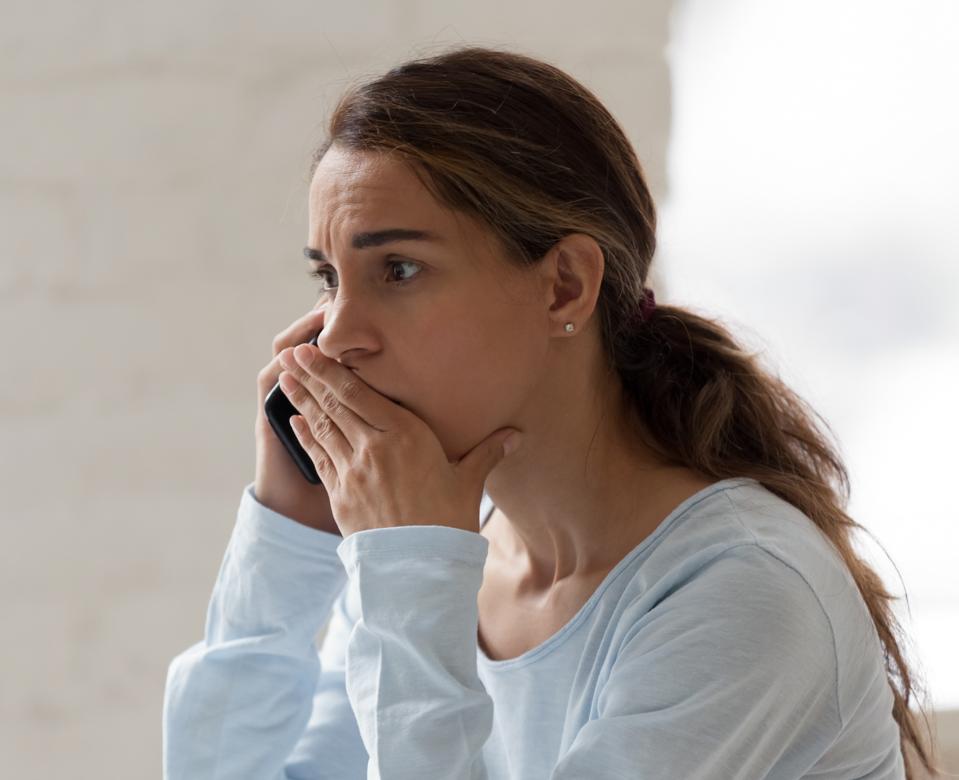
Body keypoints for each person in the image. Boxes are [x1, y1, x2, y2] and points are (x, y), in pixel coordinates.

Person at [162, 45, 939, 779]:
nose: (336, 336)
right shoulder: (448, 557)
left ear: (564, 285)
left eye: (397, 269)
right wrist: (289, 532)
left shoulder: (743, 593)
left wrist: (410, 570)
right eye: (330, 278)